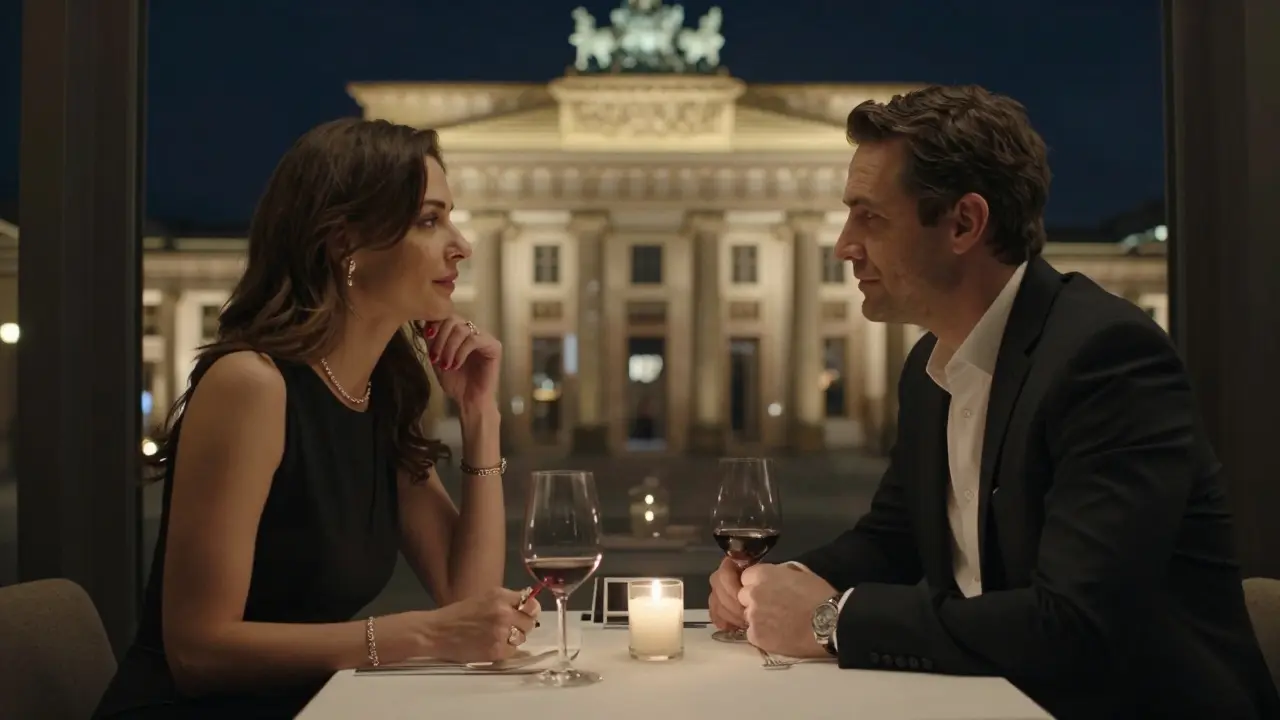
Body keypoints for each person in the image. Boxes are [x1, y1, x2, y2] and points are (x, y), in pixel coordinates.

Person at [708, 85, 1280, 719]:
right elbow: (893, 539)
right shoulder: (930, 372)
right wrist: (773, 584)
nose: (845, 245)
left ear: (964, 223)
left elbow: (1074, 624)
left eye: (869, 217)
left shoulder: (1105, 359)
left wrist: (828, 621)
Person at [95, 118, 539, 719]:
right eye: (429, 220)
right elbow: (196, 651)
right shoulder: (251, 385)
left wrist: (479, 416)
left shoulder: (377, 394)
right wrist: (424, 635)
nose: (461, 244)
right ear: (345, 242)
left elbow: (464, 597)